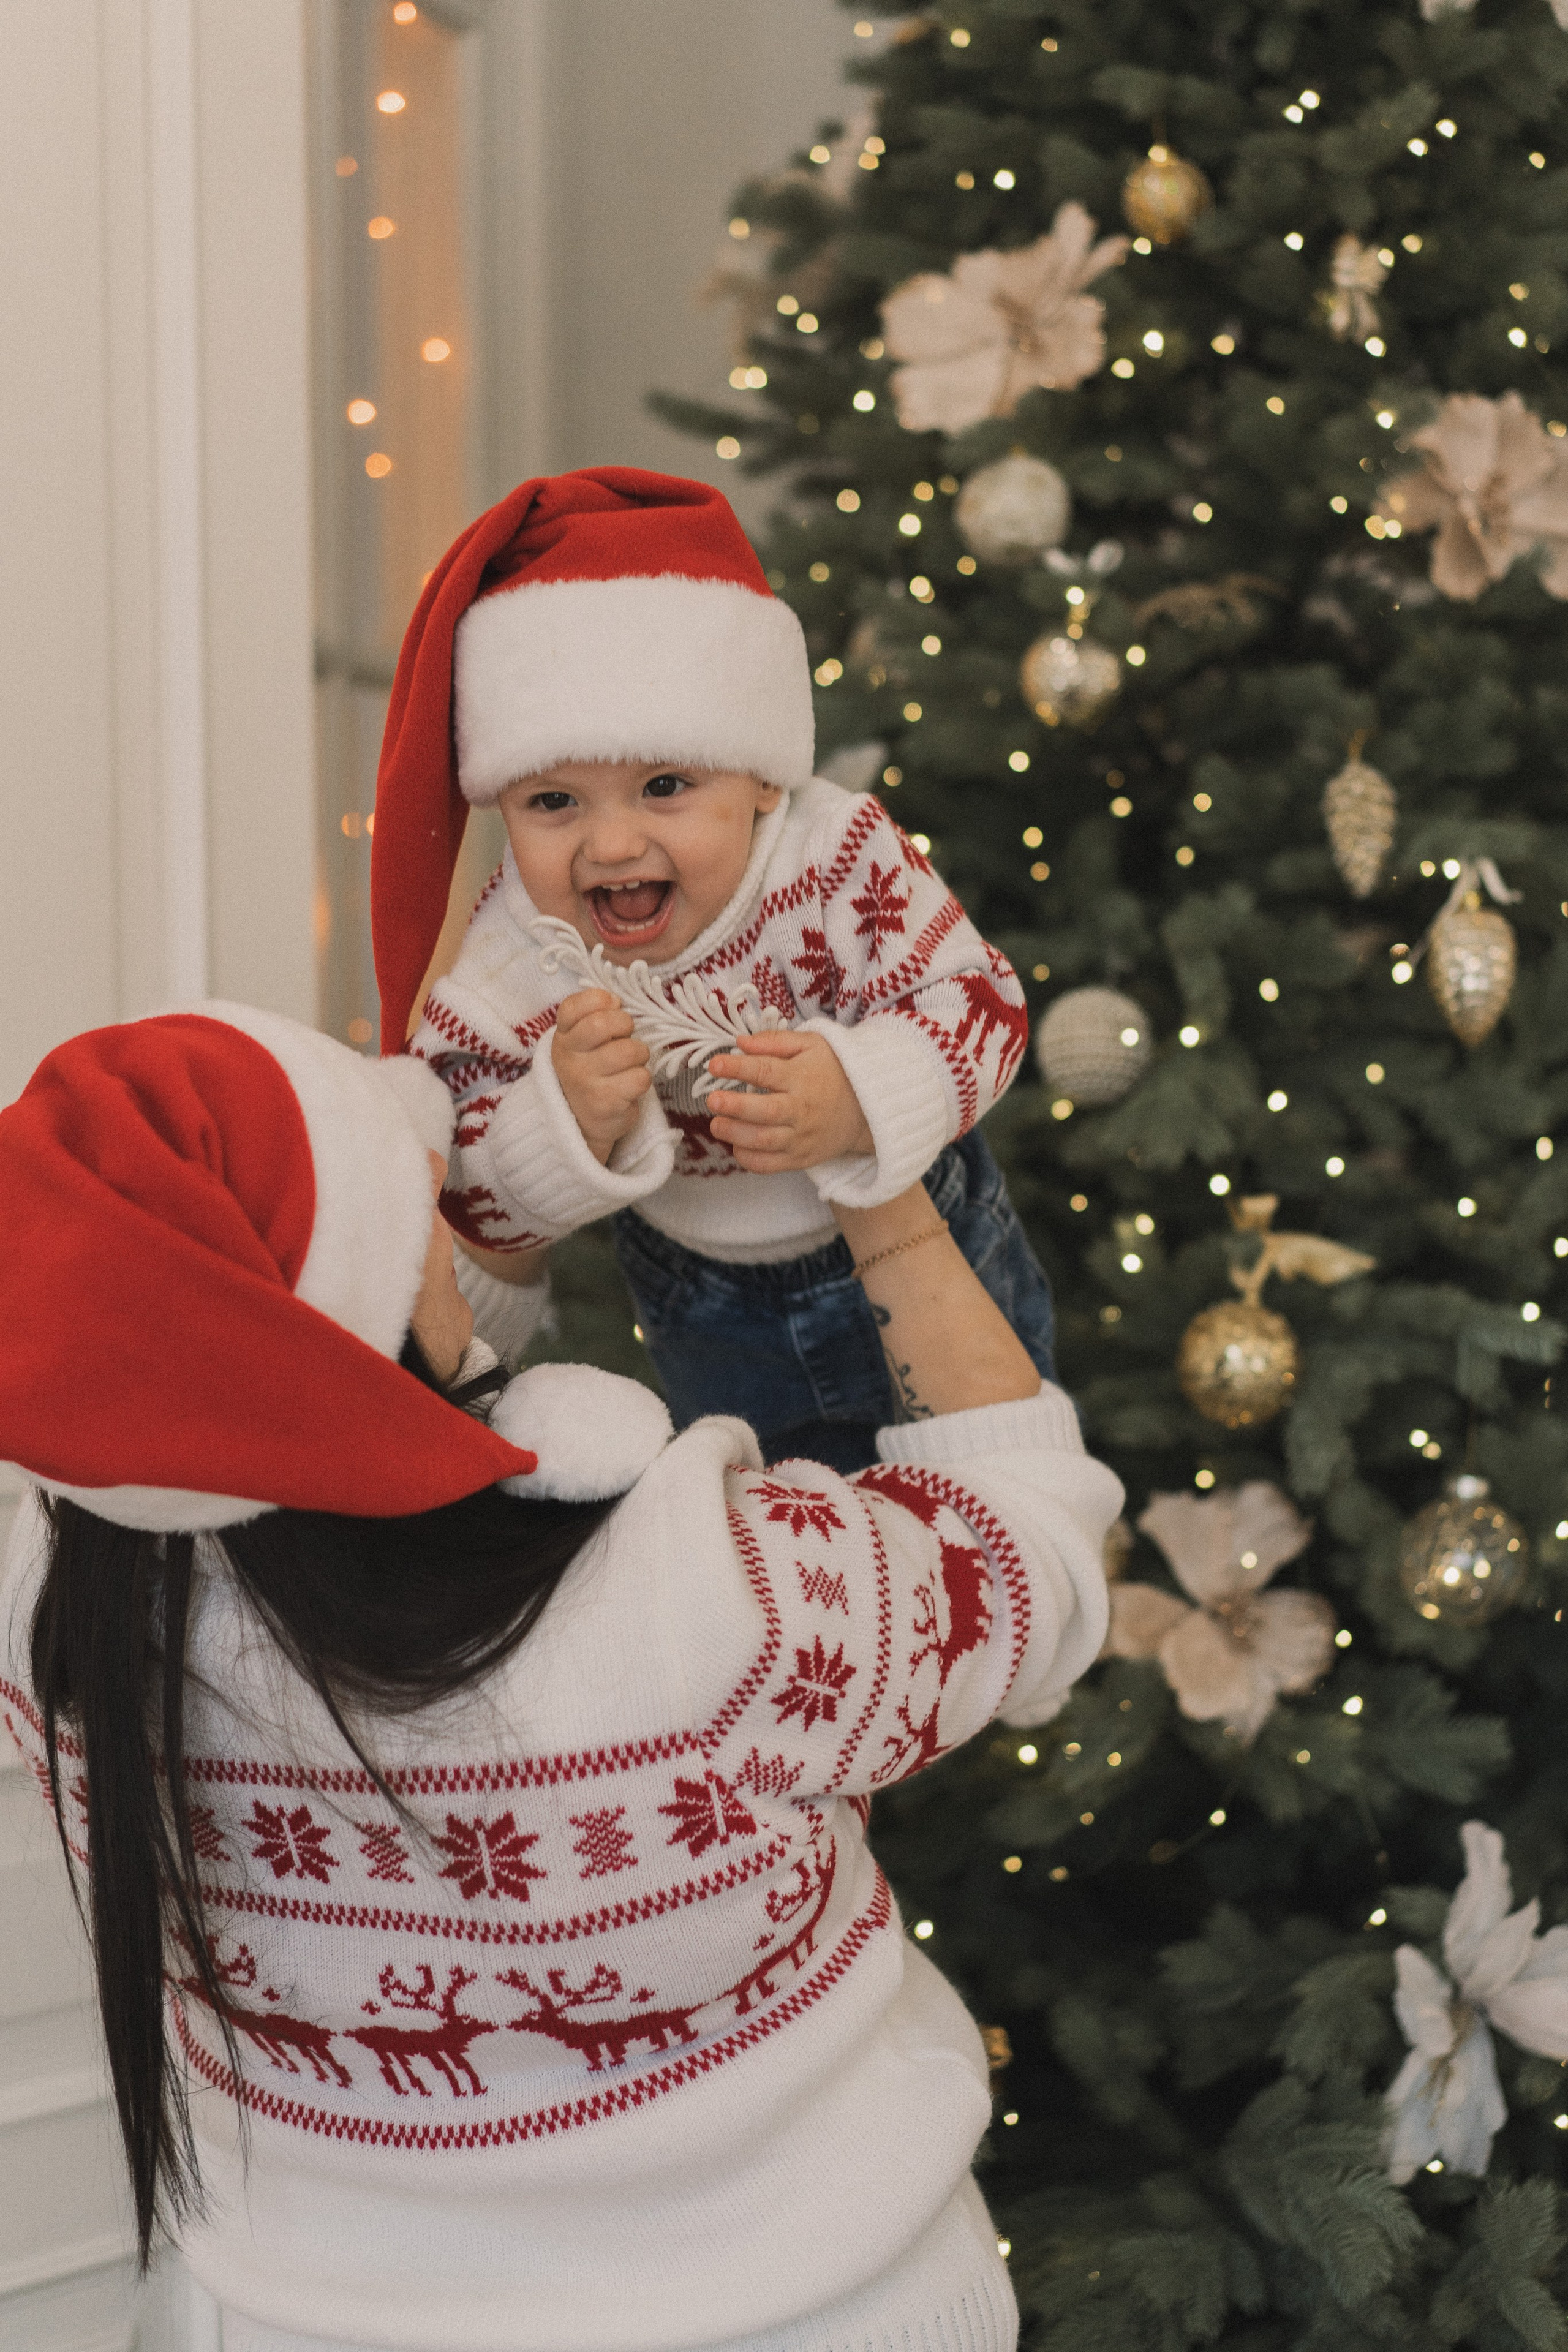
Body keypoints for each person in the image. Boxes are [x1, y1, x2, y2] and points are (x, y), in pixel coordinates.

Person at [0, 1002, 1120, 2352]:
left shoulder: (53, 1609)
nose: (441, 1194)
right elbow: (1034, 1554)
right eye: (407, 1195)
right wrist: (877, 1180)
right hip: (811, 2311)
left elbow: (311, 1407)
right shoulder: (700, 1587)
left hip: (288, 2320)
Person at [373, 465, 1055, 1471]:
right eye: (553, 803)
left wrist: (865, 1093)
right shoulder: (516, 962)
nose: (610, 846)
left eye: (663, 786)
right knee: (776, 1524)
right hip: (704, 1296)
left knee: (996, 1489)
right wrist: (560, 1125)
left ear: (762, 780)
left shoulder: (831, 857)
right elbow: (461, 1187)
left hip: (935, 1237)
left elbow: (980, 1003)